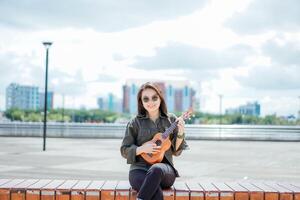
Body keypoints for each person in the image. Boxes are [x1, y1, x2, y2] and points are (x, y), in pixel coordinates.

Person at [120, 82, 188, 200]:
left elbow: (176, 152)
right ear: (141, 102)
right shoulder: (135, 122)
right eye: (146, 99)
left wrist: (181, 133)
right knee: (155, 193)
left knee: (156, 169)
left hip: (163, 171)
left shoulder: (171, 120)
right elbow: (124, 150)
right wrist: (141, 149)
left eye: (154, 98)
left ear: (160, 98)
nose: (150, 102)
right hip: (139, 169)